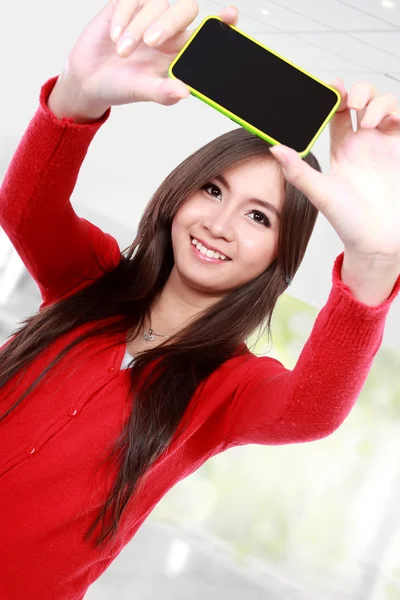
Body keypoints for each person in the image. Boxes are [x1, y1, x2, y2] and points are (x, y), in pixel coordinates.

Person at [0, 1, 399, 599]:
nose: (220, 223)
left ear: (279, 253)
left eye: (258, 216)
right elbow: (27, 208)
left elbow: (310, 410)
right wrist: (79, 92)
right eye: (213, 189)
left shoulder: (226, 388)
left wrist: (375, 259)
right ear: (181, 191)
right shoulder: (90, 279)